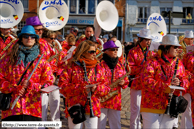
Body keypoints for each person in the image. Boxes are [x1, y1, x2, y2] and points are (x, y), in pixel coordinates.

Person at [0, 25, 54, 127]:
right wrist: (14, 88)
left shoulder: (42, 62)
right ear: (21, 38)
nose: (29, 38)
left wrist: (32, 85)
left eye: (32, 36)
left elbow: (49, 82)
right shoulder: (8, 59)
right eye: (26, 36)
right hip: (12, 109)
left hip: (32, 109)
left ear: (35, 40)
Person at [140, 34, 189, 128]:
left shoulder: (179, 63)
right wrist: (166, 87)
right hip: (151, 106)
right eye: (175, 47)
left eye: (178, 47)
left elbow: (186, 81)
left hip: (171, 106)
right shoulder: (152, 61)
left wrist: (180, 83)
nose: (177, 49)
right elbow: (146, 81)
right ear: (166, 47)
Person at [58, 40, 110, 129]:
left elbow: (107, 88)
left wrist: (96, 88)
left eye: (95, 51)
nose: (95, 54)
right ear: (82, 52)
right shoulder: (71, 66)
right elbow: (62, 86)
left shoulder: (99, 68)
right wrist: (81, 88)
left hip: (92, 106)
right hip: (75, 106)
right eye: (91, 52)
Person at [127, 29, 155, 129]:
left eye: (149, 40)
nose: (149, 42)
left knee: (146, 109)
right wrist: (144, 67)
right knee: (136, 109)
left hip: (149, 85)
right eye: (146, 40)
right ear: (140, 39)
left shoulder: (151, 52)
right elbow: (130, 68)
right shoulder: (132, 51)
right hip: (136, 84)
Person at [98, 40, 129, 129]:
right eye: (113, 49)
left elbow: (125, 79)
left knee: (116, 124)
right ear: (106, 51)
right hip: (102, 99)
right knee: (100, 124)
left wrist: (123, 83)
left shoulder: (120, 64)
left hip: (115, 99)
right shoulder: (99, 64)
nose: (116, 51)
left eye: (116, 49)